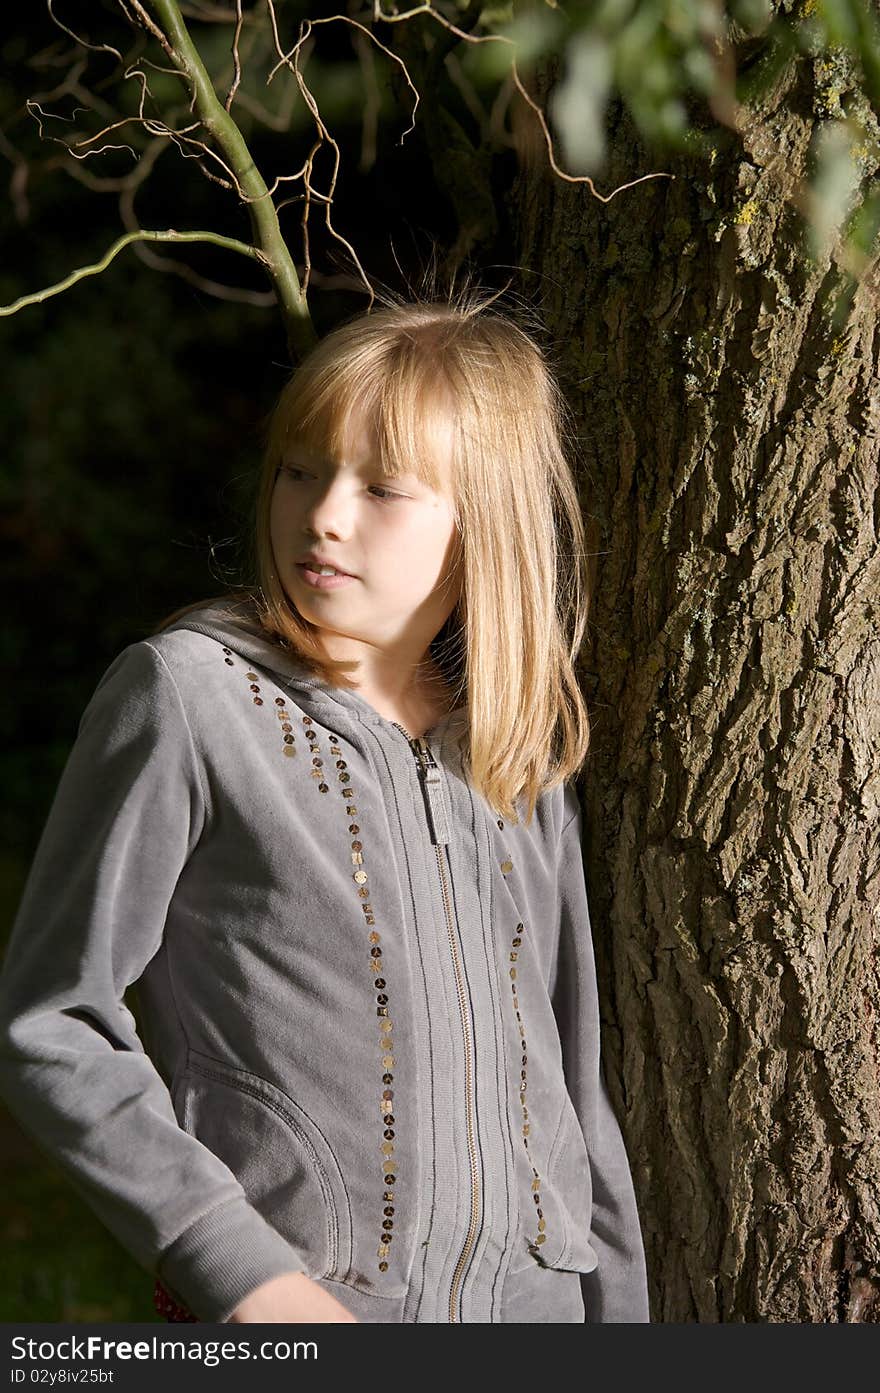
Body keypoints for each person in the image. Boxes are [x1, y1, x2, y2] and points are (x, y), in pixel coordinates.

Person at [0, 289, 650, 1324]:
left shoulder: (514, 754)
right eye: (302, 469)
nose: (326, 511)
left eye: (382, 486)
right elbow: (53, 1021)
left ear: (483, 522)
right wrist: (245, 1274)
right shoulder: (190, 696)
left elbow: (574, 1099)